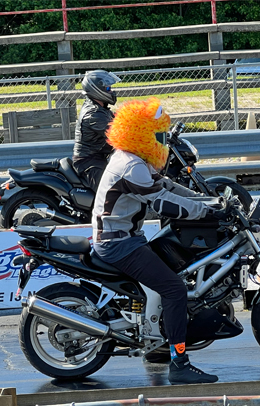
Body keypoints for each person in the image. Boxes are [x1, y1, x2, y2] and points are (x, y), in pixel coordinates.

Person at [92, 97, 225, 385]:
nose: (162, 140)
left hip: (126, 237)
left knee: (173, 271)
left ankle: (158, 345)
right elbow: (163, 202)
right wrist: (205, 211)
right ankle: (179, 362)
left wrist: (206, 200)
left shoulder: (131, 157)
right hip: (119, 244)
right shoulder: (131, 166)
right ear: (141, 133)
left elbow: (166, 185)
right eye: (157, 134)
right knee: (175, 289)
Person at [72, 70, 121, 192]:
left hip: (99, 157)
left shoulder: (100, 109)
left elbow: (121, 122)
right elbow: (118, 134)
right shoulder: (94, 114)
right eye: (108, 88)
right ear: (97, 89)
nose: (111, 91)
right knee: (111, 191)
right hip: (90, 163)